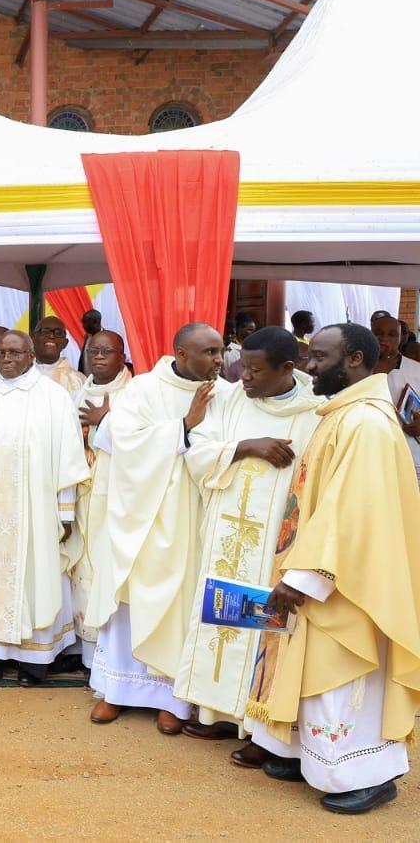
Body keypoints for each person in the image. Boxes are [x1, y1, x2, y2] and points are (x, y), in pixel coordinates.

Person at [248, 323, 420, 815]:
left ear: (355, 360)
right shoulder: (343, 413)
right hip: (322, 567)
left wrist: (301, 578)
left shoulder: (366, 423)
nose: (307, 365)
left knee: (343, 677)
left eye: (319, 357)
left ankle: (367, 773)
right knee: (311, 670)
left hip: (348, 581)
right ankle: (305, 753)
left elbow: (351, 512)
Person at [176, 327, 322, 751]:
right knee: (222, 616)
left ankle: (260, 728)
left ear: (288, 369)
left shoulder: (314, 412)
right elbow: (199, 450)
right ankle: (218, 711)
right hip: (229, 530)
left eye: (256, 372)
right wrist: (245, 446)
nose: (245, 379)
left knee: (270, 627)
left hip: (278, 541)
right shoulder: (231, 398)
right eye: (243, 369)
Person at [88, 323, 227, 734]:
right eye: (209, 352)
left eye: (221, 352)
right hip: (141, 514)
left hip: (192, 513)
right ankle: (117, 690)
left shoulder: (228, 393)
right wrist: (184, 425)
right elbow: (117, 437)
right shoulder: (144, 389)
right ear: (181, 354)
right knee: (130, 598)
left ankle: (173, 698)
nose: (219, 360)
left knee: (180, 604)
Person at [0, 331, 89, 686]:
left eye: (15, 352)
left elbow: (68, 457)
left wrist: (65, 511)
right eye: (1, 352)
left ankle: (34, 660)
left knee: (35, 576)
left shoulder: (53, 397)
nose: (7, 358)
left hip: (35, 508)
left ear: (31, 355)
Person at [64, 330, 132, 669]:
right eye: (94, 350)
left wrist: (104, 422)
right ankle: (87, 653)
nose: (100, 356)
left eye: (108, 350)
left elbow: (146, 442)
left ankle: (114, 657)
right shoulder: (78, 390)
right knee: (82, 567)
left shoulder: (136, 394)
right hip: (82, 493)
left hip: (119, 496)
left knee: (110, 566)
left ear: (123, 355)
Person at [372, 315, 420, 482]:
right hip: (372, 455)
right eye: (378, 333)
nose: (384, 339)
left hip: (410, 456)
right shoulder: (357, 368)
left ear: (401, 337)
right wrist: (379, 374)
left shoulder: (416, 370)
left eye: (392, 334)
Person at [32, 316, 84, 394]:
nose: (52, 336)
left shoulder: (78, 380)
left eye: (58, 333)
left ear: (65, 343)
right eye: (45, 332)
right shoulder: (21, 374)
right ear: (33, 338)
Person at [224, 313, 258, 382]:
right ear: (240, 329)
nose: (253, 333)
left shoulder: (251, 348)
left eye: (253, 331)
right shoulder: (230, 350)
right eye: (250, 330)